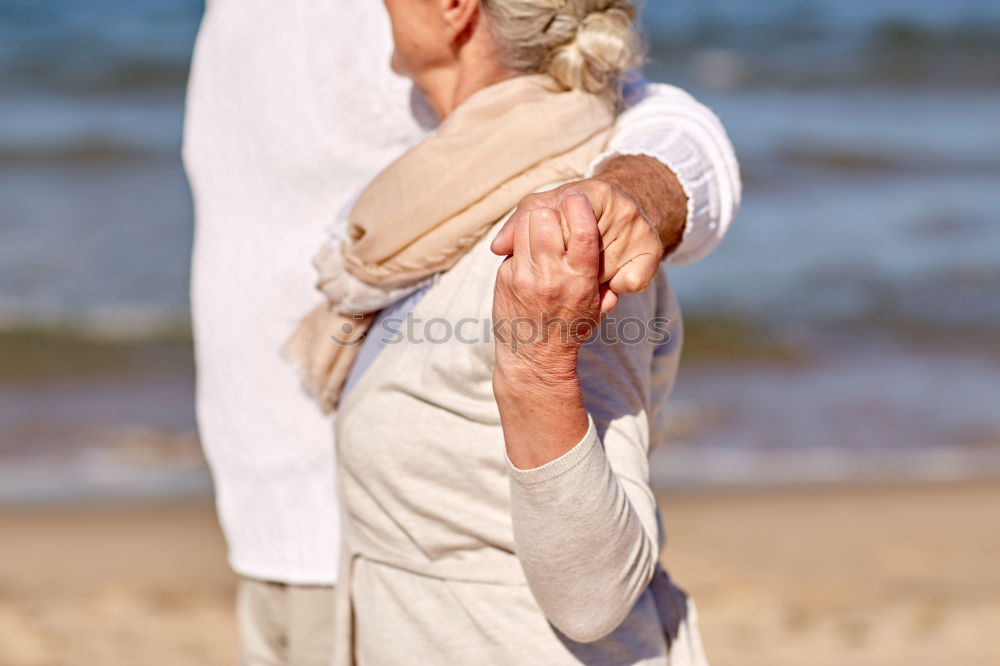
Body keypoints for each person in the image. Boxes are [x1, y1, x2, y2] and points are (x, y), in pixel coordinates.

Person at [183, 1, 739, 664]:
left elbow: (596, 593)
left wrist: (539, 369)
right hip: (314, 548)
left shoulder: (550, 238)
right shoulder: (412, 228)